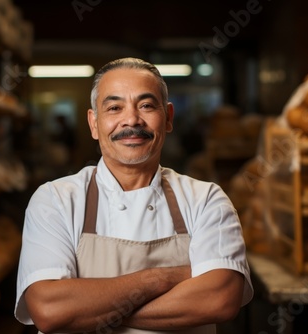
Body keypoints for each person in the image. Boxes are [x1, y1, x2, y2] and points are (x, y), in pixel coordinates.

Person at [15, 57, 253, 334]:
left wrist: (87, 310)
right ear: (94, 123)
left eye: (147, 105)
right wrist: (161, 278)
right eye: (114, 108)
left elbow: (218, 300)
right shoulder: (55, 200)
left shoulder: (206, 199)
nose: (131, 120)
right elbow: (49, 309)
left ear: (168, 118)